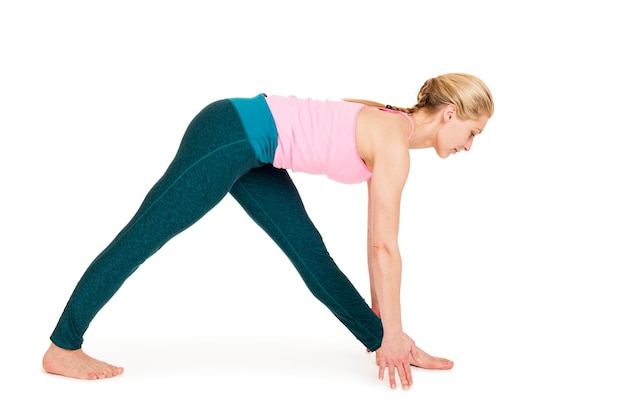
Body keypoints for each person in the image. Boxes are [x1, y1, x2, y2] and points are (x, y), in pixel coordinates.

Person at [42, 72, 494, 390]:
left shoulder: (390, 116)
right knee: (142, 236)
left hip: (258, 153)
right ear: (450, 113)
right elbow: (384, 248)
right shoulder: (394, 144)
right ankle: (63, 346)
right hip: (229, 135)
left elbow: (375, 241)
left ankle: (382, 342)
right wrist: (392, 324)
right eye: (472, 133)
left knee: (311, 257)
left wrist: (390, 328)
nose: (469, 146)